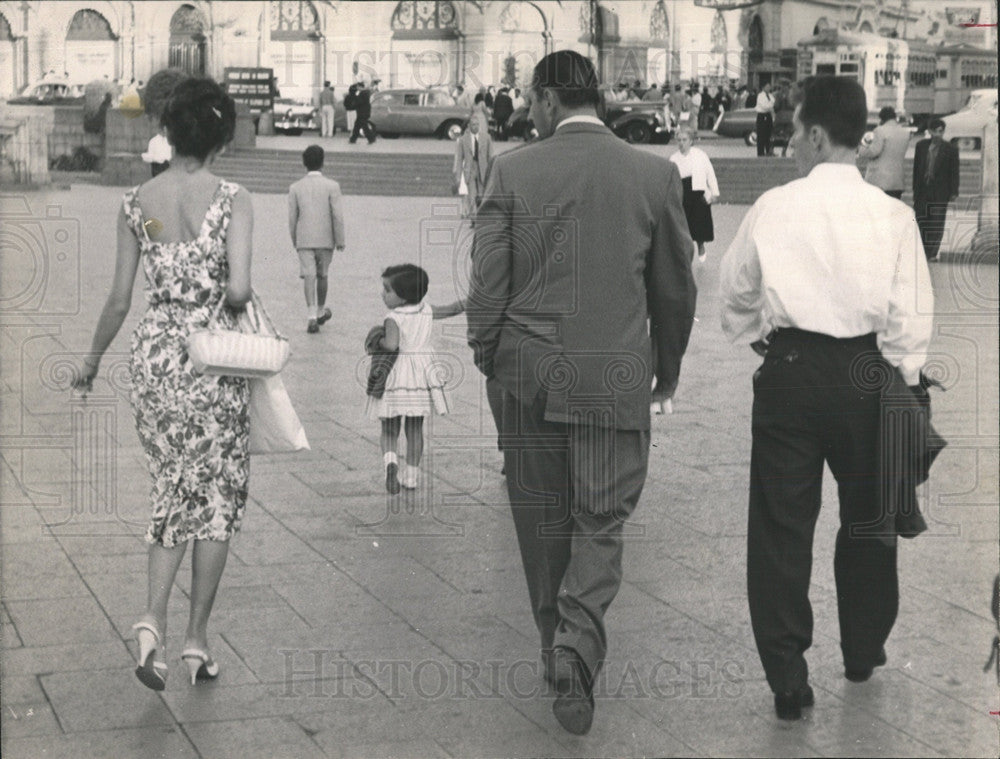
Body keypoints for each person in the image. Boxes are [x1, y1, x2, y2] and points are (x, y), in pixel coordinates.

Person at [466, 49, 696, 736]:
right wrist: (668, 367)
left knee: (542, 524)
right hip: (613, 377)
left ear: (543, 100)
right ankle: (576, 646)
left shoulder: (511, 171)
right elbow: (675, 289)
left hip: (528, 375)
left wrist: (490, 358)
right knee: (601, 520)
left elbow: (488, 286)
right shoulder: (653, 175)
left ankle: (552, 647)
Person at [719, 76, 933, 722]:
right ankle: (863, 646)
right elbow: (910, 317)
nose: (789, 145)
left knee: (781, 525)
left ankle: (787, 675)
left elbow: (734, 294)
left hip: (789, 369)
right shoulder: (893, 216)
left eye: (792, 132)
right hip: (870, 373)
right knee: (868, 518)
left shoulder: (775, 207)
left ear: (814, 134)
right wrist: (900, 373)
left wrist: (771, 345)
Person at [72, 77, 254, 691]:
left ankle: (152, 619)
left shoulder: (134, 202)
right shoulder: (233, 197)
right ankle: (196, 640)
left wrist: (93, 361)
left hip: (156, 357)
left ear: (168, 133)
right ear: (221, 138)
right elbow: (237, 291)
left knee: (173, 484)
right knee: (217, 497)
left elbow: (120, 298)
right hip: (213, 356)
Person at [365, 264, 465, 492]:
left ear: (402, 298)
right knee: (415, 428)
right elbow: (450, 310)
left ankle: (390, 464)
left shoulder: (393, 317)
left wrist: (377, 341)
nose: (383, 293)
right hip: (421, 375)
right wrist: (466, 303)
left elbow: (392, 344)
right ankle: (411, 476)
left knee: (389, 427)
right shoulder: (426, 310)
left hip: (396, 375)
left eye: (387, 290)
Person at [288, 145, 346, 333]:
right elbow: (337, 215)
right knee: (322, 275)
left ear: (304, 163)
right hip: (325, 238)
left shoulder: (295, 187)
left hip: (304, 238)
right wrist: (340, 239)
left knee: (308, 275)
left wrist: (295, 239)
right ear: (323, 162)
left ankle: (311, 315)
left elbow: (292, 218)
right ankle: (321, 310)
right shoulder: (332, 186)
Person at [669, 126, 719, 262]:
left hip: (698, 192)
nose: (681, 143)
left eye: (684, 140)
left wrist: (714, 192)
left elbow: (710, 173)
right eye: (679, 140)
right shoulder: (673, 159)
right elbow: (670, 180)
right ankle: (686, 253)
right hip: (682, 194)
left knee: (699, 224)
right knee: (684, 226)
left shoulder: (700, 155)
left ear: (691, 141)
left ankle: (701, 245)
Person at [913, 118, 959, 262]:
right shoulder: (921, 146)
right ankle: (921, 251)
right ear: (930, 131)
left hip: (940, 191)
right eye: (935, 131)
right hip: (923, 190)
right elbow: (916, 169)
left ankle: (932, 253)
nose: (938, 134)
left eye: (941, 131)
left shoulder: (950, 149)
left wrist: (954, 191)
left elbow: (954, 171)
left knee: (936, 222)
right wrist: (915, 189)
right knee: (921, 220)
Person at [858, 107, 911, 199]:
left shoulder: (880, 130)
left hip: (880, 180)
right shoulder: (905, 133)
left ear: (881, 118)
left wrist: (861, 149)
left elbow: (874, 151)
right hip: (897, 181)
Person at [453, 117, 493, 222]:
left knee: (481, 194)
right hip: (470, 169)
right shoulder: (463, 140)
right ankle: (474, 219)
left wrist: (491, 171)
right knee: (472, 194)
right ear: (469, 126)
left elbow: (490, 156)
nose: (475, 127)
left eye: (477, 124)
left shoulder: (486, 137)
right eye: (473, 125)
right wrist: (458, 176)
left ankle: (480, 215)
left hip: (483, 168)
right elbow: (459, 159)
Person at [755, 81, 776, 156]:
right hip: (762, 116)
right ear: (763, 87)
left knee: (768, 134)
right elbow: (764, 106)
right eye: (767, 86)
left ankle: (768, 151)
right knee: (761, 134)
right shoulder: (760, 96)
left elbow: (774, 103)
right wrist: (770, 105)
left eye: (769, 86)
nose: (769, 88)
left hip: (768, 115)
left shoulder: (770, 95)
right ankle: (760, 152)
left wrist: (770, 105)